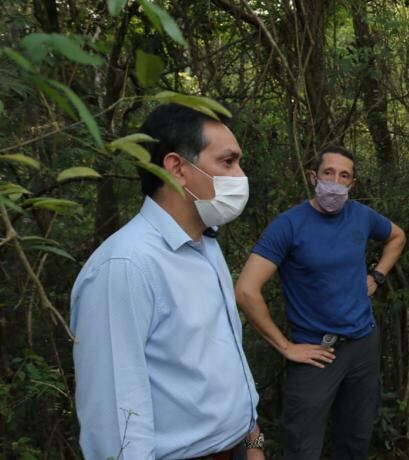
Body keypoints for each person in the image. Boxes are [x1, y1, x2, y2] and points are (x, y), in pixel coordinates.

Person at [70, 104, 265, 459]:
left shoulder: (205, 244)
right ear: (177, 168)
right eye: (227, 162)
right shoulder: (125, 267)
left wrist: (254, 445)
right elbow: (117, 424)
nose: (240, 175)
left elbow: (230, 366)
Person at [235, 145, 406, 460]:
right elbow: (246, 289)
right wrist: (285, 346)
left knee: (356, 437)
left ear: (352, 184)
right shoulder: (289, 225)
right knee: (301, 446)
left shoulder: (362, 216)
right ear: (314, 176)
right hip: (315, 352)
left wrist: (378, 276)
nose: (335, 182)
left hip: (363, 343)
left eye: (344, 176)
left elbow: (397, 237)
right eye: (329, 173)